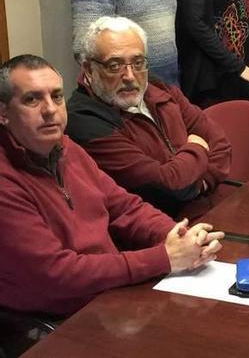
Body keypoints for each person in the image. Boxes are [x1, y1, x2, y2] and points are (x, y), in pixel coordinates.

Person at [0, 55, 223, 316]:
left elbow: (124, 208)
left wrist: (177, 236)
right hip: (58, 322)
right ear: (3, 113)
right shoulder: (6, 179)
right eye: (32, 99)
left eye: (57, 96)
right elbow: (57, 273)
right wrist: (164, 258)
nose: (50, 109)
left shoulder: (67, 149)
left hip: (110, 295)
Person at [66, 16, 231, 218]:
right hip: (161, 229)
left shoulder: (158, 89)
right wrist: (196, 147)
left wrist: (200, 183)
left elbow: (221, 143)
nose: (129, 76)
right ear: (89, 69)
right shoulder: (83, 120)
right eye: (114, 65)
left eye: (137, 63)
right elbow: (167, 188)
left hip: (207, 207)